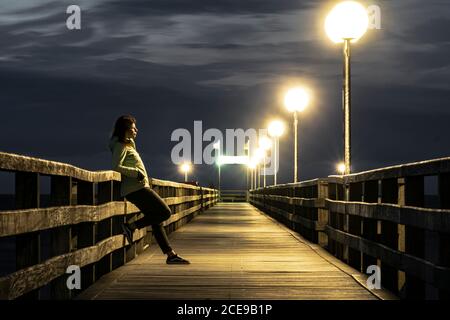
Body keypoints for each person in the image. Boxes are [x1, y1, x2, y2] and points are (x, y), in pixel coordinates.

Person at [108, 115, 190, 264]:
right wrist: (136, 173)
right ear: (125, 129)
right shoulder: (120, 145)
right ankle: (131, 226)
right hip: (135, 189)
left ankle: (171, 255)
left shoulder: (128, 145)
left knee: (156, 220)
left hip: (139, 187)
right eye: (133, 128)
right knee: (164, 212)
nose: (136, 130)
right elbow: (115, 166)